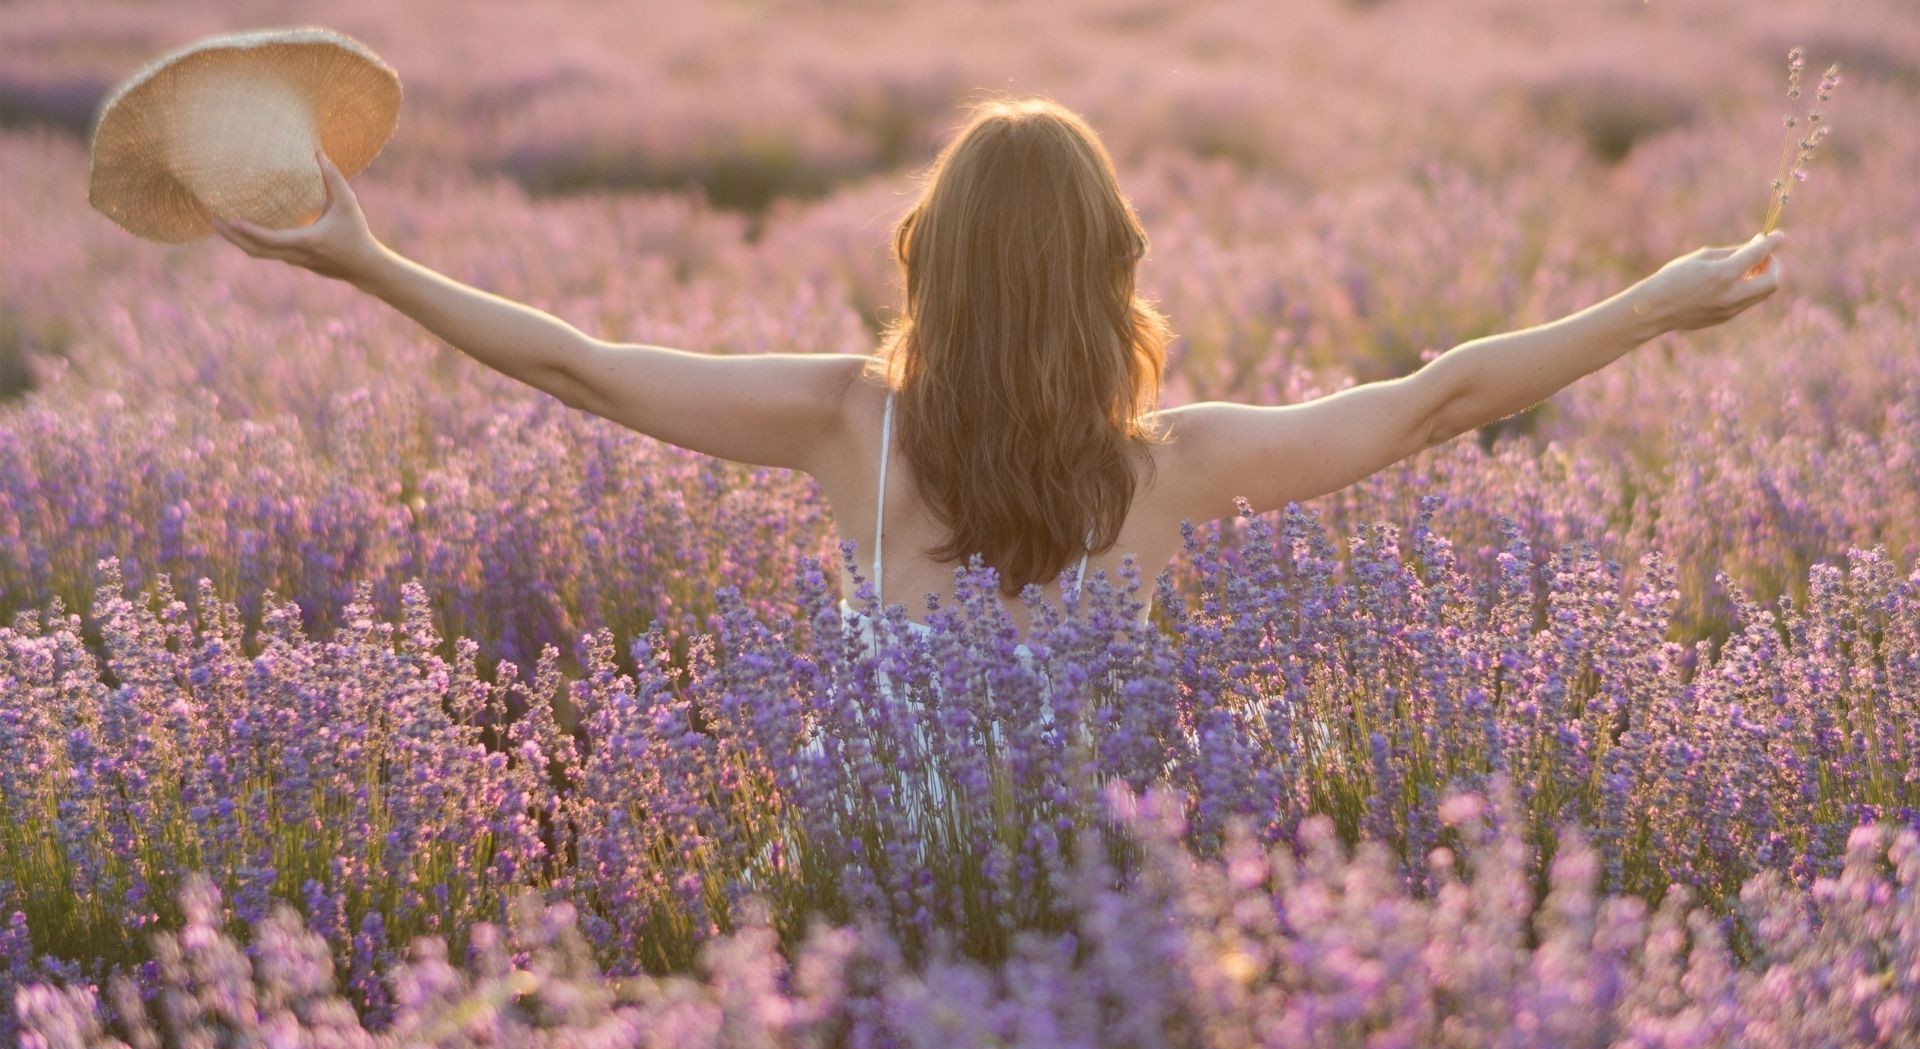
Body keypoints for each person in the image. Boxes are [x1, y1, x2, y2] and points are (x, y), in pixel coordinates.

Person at [212, 96, 1784, 650]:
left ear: (928, 259)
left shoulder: (846, 419)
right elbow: (1444, 393)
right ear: (1114, 273)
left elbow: (586, 368)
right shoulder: (1179, 463)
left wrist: (365, 259)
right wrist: (1649, 301)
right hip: (1087, 914)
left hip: (876, 894)